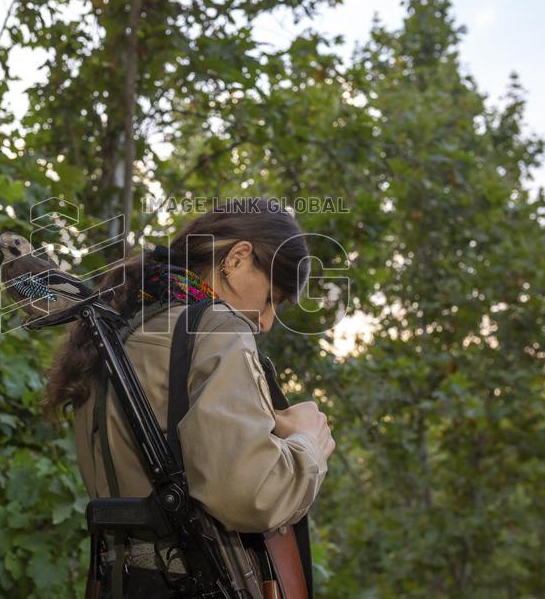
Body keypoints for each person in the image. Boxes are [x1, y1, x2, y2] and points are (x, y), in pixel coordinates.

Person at [43, 198, 336, 597]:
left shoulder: (125, 326)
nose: (266, 322)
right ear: (237, 258)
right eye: (273, 297)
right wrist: (309, 445)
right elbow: (247, 493)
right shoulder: (217, 329)